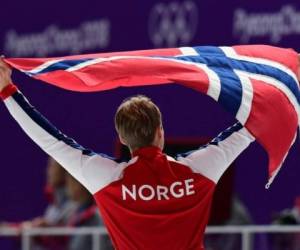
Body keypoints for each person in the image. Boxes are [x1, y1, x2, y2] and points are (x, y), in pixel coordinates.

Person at [0, 58, 255, 250]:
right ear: (161, 131)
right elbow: (252, 125)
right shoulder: (199, 169)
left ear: (122, 138)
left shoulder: (107, 178)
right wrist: (290, 87)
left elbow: (50, 140)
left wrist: (8, 91)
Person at [65, 174, 112, 250]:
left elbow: (103, 246)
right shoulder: (72, 210)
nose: (69, 185)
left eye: (73, 180)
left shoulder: (99, 215)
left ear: (84, 184)